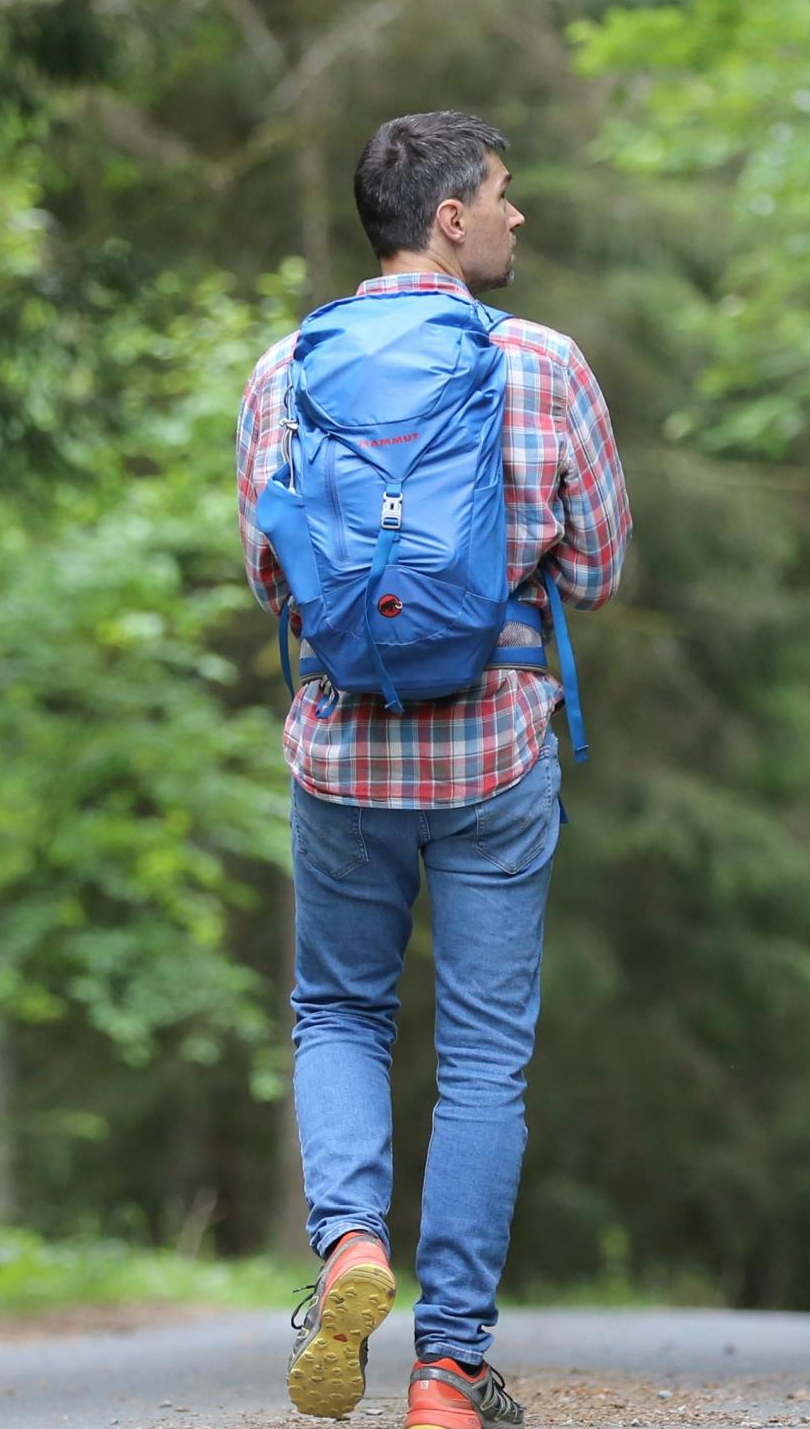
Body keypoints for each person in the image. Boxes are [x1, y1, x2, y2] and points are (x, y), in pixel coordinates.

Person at [236, 109, 630, 1429]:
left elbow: (267, 573)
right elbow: (605, 567)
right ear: (446, 219)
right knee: (481, 1061)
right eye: (502, 196)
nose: (518, 217)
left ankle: (350, 1244)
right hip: (495, 751)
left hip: (344, 752)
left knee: (339, 1013)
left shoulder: (285, 370)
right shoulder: (543, 365)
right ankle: (449, 1373)